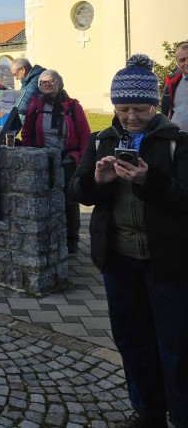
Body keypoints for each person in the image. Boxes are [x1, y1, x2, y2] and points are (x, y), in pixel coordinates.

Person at [71, 54, 188, 428]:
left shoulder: (177, 143)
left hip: (168, 264)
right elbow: (79, 191)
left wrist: (147, 180)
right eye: (122, 109)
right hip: (119, 262)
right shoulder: (102, 140)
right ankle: (148, 411)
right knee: (133, 342)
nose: (131, 117)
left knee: (176, 348)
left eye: (139, 108)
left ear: (155, 105)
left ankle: (182, 415)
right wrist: (97, 182)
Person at [21, 69, 91, 254]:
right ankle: (49, 237)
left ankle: (71, 240)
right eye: (43, 82)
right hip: (44, 161)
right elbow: (26, 133)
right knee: (45, 199)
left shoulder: (73, 107)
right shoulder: (35, 107)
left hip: (68, 160)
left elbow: (85, 135)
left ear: (60, 83)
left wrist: (84, 162)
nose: (47, 84)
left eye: (51, 81)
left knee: (70, 201)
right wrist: (31, 153)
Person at [160, 40, 188, 132]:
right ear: (177, 63)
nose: (187, 63)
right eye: (182, 60)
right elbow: (164, 111)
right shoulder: (171, 82)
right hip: (178, 139)